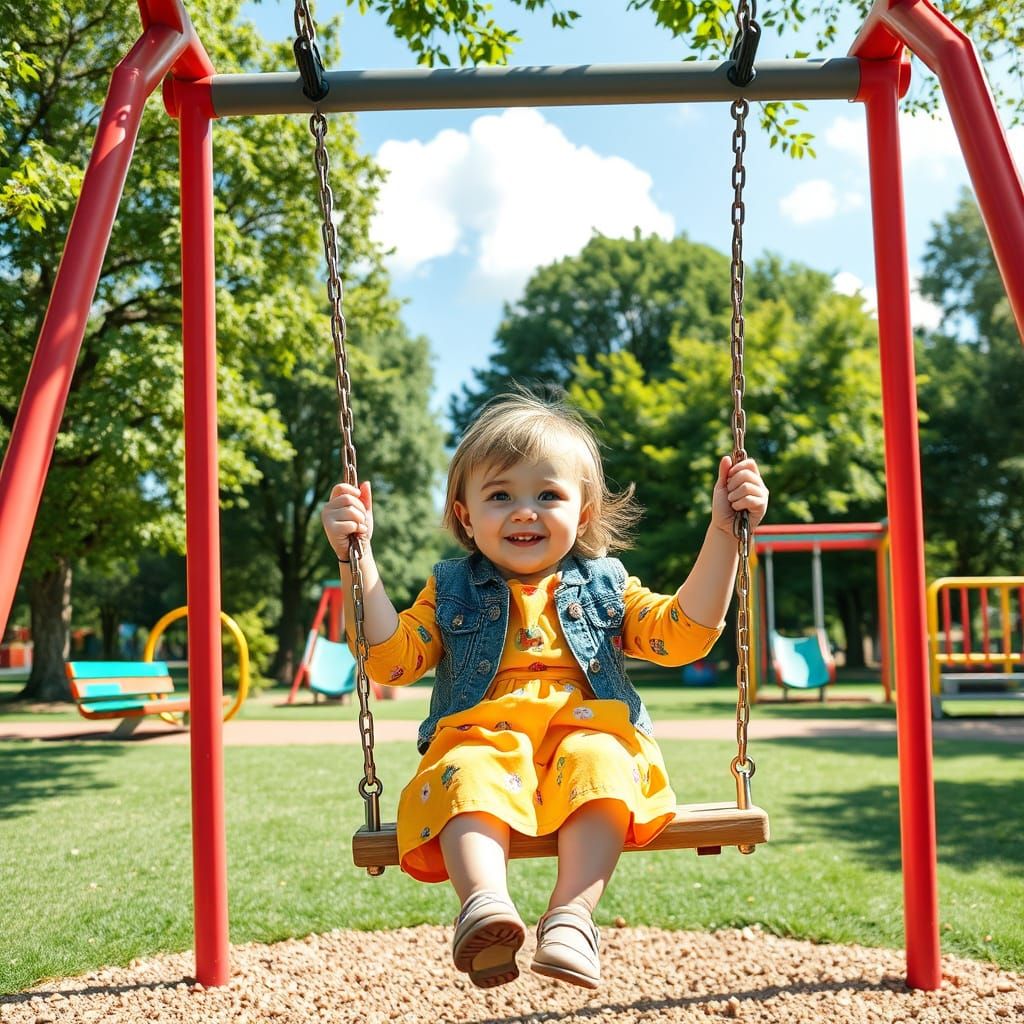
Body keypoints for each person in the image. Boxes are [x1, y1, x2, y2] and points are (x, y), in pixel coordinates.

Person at [321, 390, 768, 991]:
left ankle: (570, 920)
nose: (524, 511)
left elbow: (682, 636)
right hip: (484, 738)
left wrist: (723, 530)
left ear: (582, 514)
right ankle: (484, 909)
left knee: (602, 761)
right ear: (465, 516)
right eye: (500, 495)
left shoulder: (606, 586)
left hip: (585, 733)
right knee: (468, 769)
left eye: (548, 495)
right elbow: (393, 662)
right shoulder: (450, 589)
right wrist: (359, 561)